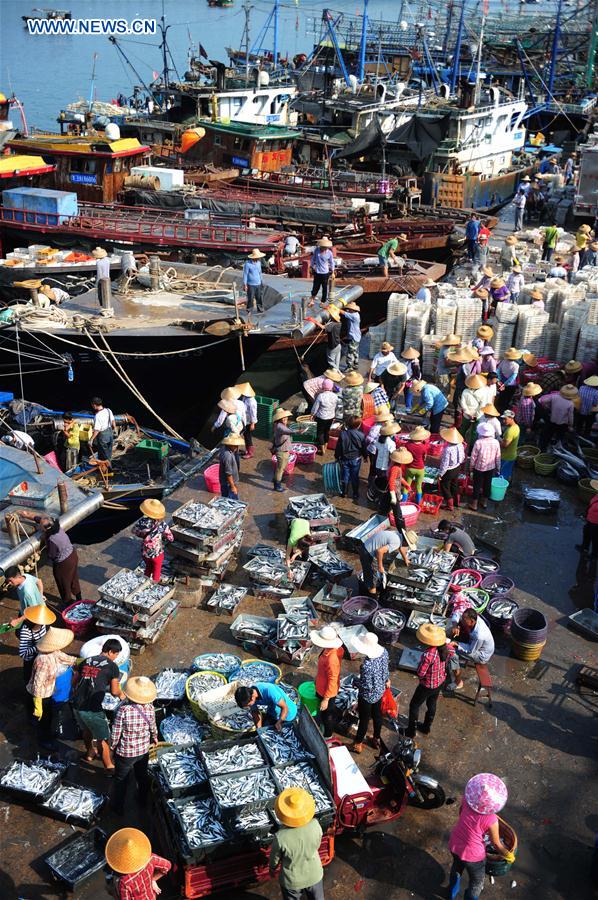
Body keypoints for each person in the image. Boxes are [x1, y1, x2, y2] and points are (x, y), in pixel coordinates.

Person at [448, 773, 514, 900]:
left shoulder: (467, 801)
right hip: (473, 856)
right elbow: (496, 844)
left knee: (457, 867)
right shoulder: (491, 819)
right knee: (477, 881)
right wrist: (508, 855)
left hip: (455, 843)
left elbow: (461, 812)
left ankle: (451, 893)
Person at [72, 638, 125, 770]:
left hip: (77, 703)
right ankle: (108, 765)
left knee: (86, 729)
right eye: (116, 654)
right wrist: (122, 694)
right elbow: (114, 691)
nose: (116, 657)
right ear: (111, 651)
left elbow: (74, 682)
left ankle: (90, 753)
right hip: (92, 708)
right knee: (103, 737)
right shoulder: (113, 667)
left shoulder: (87, 660)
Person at [111, 676, 158, 815]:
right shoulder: (150, 708)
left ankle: (118, 808)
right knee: (142, 776)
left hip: (125, 753)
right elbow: (153, 727)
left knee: (121, 780)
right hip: (143, 751)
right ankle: (142, 801)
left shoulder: (123, 710)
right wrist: (155, 737)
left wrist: (112, 747)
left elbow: (116, 732)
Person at [269, 788, 324, 900]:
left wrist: (272, 869)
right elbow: (317, 844)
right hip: (315, 875)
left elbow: (275, 859)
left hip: (292, 881)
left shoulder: (280, 837)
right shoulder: (315, 825)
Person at [17, 512, 81, 607]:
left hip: (64, 563)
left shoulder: (51, 539)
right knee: (73, 577)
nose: (40, 527)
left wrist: (44, 543)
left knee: (63, 581)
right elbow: (37, 518)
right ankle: (79, 598)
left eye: (41, 526)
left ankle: (68, 603)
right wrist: (24, 514)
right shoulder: (56, 527)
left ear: (46, 529)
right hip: (73, 554)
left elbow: (51, 555)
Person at [27, 626, 76, 748]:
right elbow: (38, 684)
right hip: (42, 694)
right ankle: (44, 740)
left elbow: (68, 659)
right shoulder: (42, 660)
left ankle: (43, 728)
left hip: (50, 689)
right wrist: (38, 703)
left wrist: (83, 662)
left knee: (50, 715)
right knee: (44, 718)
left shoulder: (55, 652)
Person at [406, 624, 449, 738]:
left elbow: (420, 673)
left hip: (427, 685)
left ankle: (411, 731)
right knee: (432, 703)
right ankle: (426, 727)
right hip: (439, 682)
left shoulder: (429, 654)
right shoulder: (444, 648)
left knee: (414, 705)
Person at [105, 828, 172, 900]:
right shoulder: (151, 858)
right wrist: (153, 879)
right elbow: (168, 866)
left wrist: (113, 893)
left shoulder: (125, 882)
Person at [351, 632, 390, 753]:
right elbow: (386, 670)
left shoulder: (366, 665)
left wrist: (355, 682)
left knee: (364, 719)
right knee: (377, 715)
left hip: (367, 696)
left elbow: (366, 686)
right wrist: (386, 680)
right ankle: (376, 738)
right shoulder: (384, 652)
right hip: (380, 691)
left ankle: (357, 744)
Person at [311, 624, 343, 738]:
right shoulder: (330, 650)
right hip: (321, 686)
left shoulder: (331, 659)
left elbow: (332, 679)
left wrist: (326, 699)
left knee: (327, 715)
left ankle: (328, 735)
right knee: (325, 712)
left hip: (327, 692)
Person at [450, 608, 495, 687]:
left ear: (472, 621)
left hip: (481, 655)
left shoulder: (479, 635)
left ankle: (458, 682)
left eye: (464, 620)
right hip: (475, 644)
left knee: (452, 652)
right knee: (454, 631)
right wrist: (455, 625)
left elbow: (471, 650)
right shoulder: (472, 618)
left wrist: (456, 644)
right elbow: (457, 612)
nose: (462, 621)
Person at [132, 499, 173, 582]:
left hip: (145, 552)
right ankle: (154, 585)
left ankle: (144, 583)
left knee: (148, 568)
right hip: (157, 553)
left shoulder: (141, 522)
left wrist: (144, 535)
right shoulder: (162, 524)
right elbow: (170, 537)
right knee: (156, 571)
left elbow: (134, 531)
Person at [358, 529, 410, 595]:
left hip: (366, 545)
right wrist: (380, 566)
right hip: (367, 552)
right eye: (408, 544)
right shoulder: (396, 542)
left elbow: (401, 547)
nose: (407, 546)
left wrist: (405, 558)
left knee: (369, 574)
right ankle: (372, 597)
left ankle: (368, 587)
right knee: (372, 578)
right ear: (405, 542)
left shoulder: (397, 534)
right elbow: (379, 551)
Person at [19, 604, 56, 687]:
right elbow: (22, 653)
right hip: (30, 660)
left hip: (40, 656)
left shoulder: (43, 625)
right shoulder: (26, 631)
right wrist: (38, 647)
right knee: (30, 681)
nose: (44, 623)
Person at [469, 421, 501, 511]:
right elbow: (498, 457)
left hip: (478, 468)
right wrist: (498, 468)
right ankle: (484, 502)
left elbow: (473, 457)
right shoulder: (496, 442)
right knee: (487, 484)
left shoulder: (478, 442)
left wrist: (471, 468)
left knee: (477, 485)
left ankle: (474, 504)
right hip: (491, 467)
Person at [335, 415, 367, 500]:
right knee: (355, 476)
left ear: (347, 424)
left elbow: (338, 447)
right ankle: (355, 493)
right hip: (356, 459)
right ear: (358, 425)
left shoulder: (343, 434)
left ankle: (344, 492)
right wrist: (365, 456)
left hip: (344, 459)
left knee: (345, 475)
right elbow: (363, 448)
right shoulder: (361, 435)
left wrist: (337, 457)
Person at [539, 384, 576, 449]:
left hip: (552, 420)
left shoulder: (555, 397)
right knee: (559, 436)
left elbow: (543, 401)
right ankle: (557, 448)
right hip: (562, 424)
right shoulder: (570, 404)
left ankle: (544, 448)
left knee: (548, 435)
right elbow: (571, 416)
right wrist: (571, 425)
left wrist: (548, 407)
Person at [437, 427, 466, 511]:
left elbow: (445, 464)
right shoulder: (460, 444)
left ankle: (450, 505)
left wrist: (440, 474)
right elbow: (463, 456)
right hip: (457, 467)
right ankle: (457, 501)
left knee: (445, 486)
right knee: (454, 484)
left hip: (449, 470)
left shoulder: (448, 449)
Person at [404, 425, 430, 504]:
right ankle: (418, 503)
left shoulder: (408, 445)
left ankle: (403, 502)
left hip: (410, 467)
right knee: (419, 487)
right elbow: (424, 458)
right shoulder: (424, 447)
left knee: (407, 486)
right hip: (420, 468)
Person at [311, 379, 337, 455]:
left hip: (321, 417)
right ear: (331, 387)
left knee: (320, 432)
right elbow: (335, 407)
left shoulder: (321, 396)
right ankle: (325, 446)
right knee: (327, 431)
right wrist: (334, 415)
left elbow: (315, 407)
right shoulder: (335, 396)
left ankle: (322, 450)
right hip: (331, 417)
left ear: (323, 387)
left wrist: (312, 414)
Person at [388, 446, 413, 519]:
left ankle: (390, 514)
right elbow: (391, 480)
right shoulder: (395, 468)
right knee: (396, 509)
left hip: (396, 488)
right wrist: (393, 495)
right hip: (393, 489)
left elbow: (399, 478)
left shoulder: (398, 466)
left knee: (393, 506)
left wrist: (406, 485)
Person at [272, 407, 293, 492]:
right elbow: (288, 431)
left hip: (283, 450)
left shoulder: (279, 425)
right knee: (280, 469)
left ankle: (276, 479)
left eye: (285, 417)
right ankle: (277, 486)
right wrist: (298, 431)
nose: (285, 418)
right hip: (282, 451)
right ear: (279, 419)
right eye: (282, 418)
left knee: (281, 467)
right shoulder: (280, 426)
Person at [309, 238, 335, 305]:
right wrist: (311, 266)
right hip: (317, 272)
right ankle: (312, 299)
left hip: (325, 273)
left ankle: (323, 301)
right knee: (315, 286)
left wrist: (333, 272)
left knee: (324, 287)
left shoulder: (329, 253)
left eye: (326, 247)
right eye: (323, 247)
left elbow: (332, 262)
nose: (325, 248)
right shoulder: (317, 250)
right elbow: (313, 259)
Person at [90, 397, 115, 462]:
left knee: (104, 456)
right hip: (110, 434)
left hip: (103, 437)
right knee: (109, 453)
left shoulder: (98, 416)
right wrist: (112, 430)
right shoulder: (108, 410)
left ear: (94, 405)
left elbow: (97, 430)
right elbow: (113, 422)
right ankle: (109, 464)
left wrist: (91, 439)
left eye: (92, 405)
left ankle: (107, 469)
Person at [496, 348, 521, 413]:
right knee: (508, 398)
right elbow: (513, 377)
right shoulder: (516, 365)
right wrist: (505, 383)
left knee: (502, 396)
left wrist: (500, 380)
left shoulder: (503, 362)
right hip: (511, 385)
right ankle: (504, 410)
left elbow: (498, 371)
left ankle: (499, 409)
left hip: (502, 382)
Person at [218, 434, 244, 498]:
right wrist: (233, 487)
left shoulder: (225, 448)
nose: (237, 447)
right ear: (229, 444)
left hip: (226, 482)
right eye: (235, 446)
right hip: (228, 484)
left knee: (225, 497)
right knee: (232, 500)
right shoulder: (228, 456)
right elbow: (228, 474)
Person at [237, 382, 258, 459]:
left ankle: (250, 452)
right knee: (246, 436)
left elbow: (253, 413)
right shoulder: (245, 397)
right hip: (245, 420)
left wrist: (253, 423)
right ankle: (247, 450)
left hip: (249, 421)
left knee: (248, 436)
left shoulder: (252, 401)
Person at [396, 347, 420, 411]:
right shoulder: (411, 362)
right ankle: (408, 408)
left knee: (406, 393)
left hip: (406, 380)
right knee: (407, 394)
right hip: (407, 380)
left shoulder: (414, 363)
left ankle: (407, 407)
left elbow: (417, 374)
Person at [576, 487, 598, 558]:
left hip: (596, 523)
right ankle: (585, 547)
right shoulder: (597, 495)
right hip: (590, 519)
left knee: (595, 539)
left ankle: (594, 555)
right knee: (586, 532)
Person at [339, 301, 361, 371]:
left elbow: (342, 312)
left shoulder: (353, 316)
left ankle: (349, 367)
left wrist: (335, 307)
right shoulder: (356, 314)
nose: (348, 309)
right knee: (355, 351)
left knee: (350, 352)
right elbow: (347, 311)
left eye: (349, 309)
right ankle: (356, 364)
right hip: (357, 336)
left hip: (353, 337)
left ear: (352, 310)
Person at [318, 305, 342, 371]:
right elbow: (329, 327)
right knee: (337, 362)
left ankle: (337, 373)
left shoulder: (331, 325)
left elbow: (323, 328)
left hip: (333, 346)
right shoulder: (339, 323)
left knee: (330, 361)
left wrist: (316, 322)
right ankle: (337, 372)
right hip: (338, 345)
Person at [500, 409, 520, 480]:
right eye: (503, 419)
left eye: (505, 419)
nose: (503, 421)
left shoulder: (510, 431)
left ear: (511, 418)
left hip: (506, 457)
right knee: (507, 473)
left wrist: (497, 441)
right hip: (512, 455)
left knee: (502, 476)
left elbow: (505, 445)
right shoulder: (516, 427)